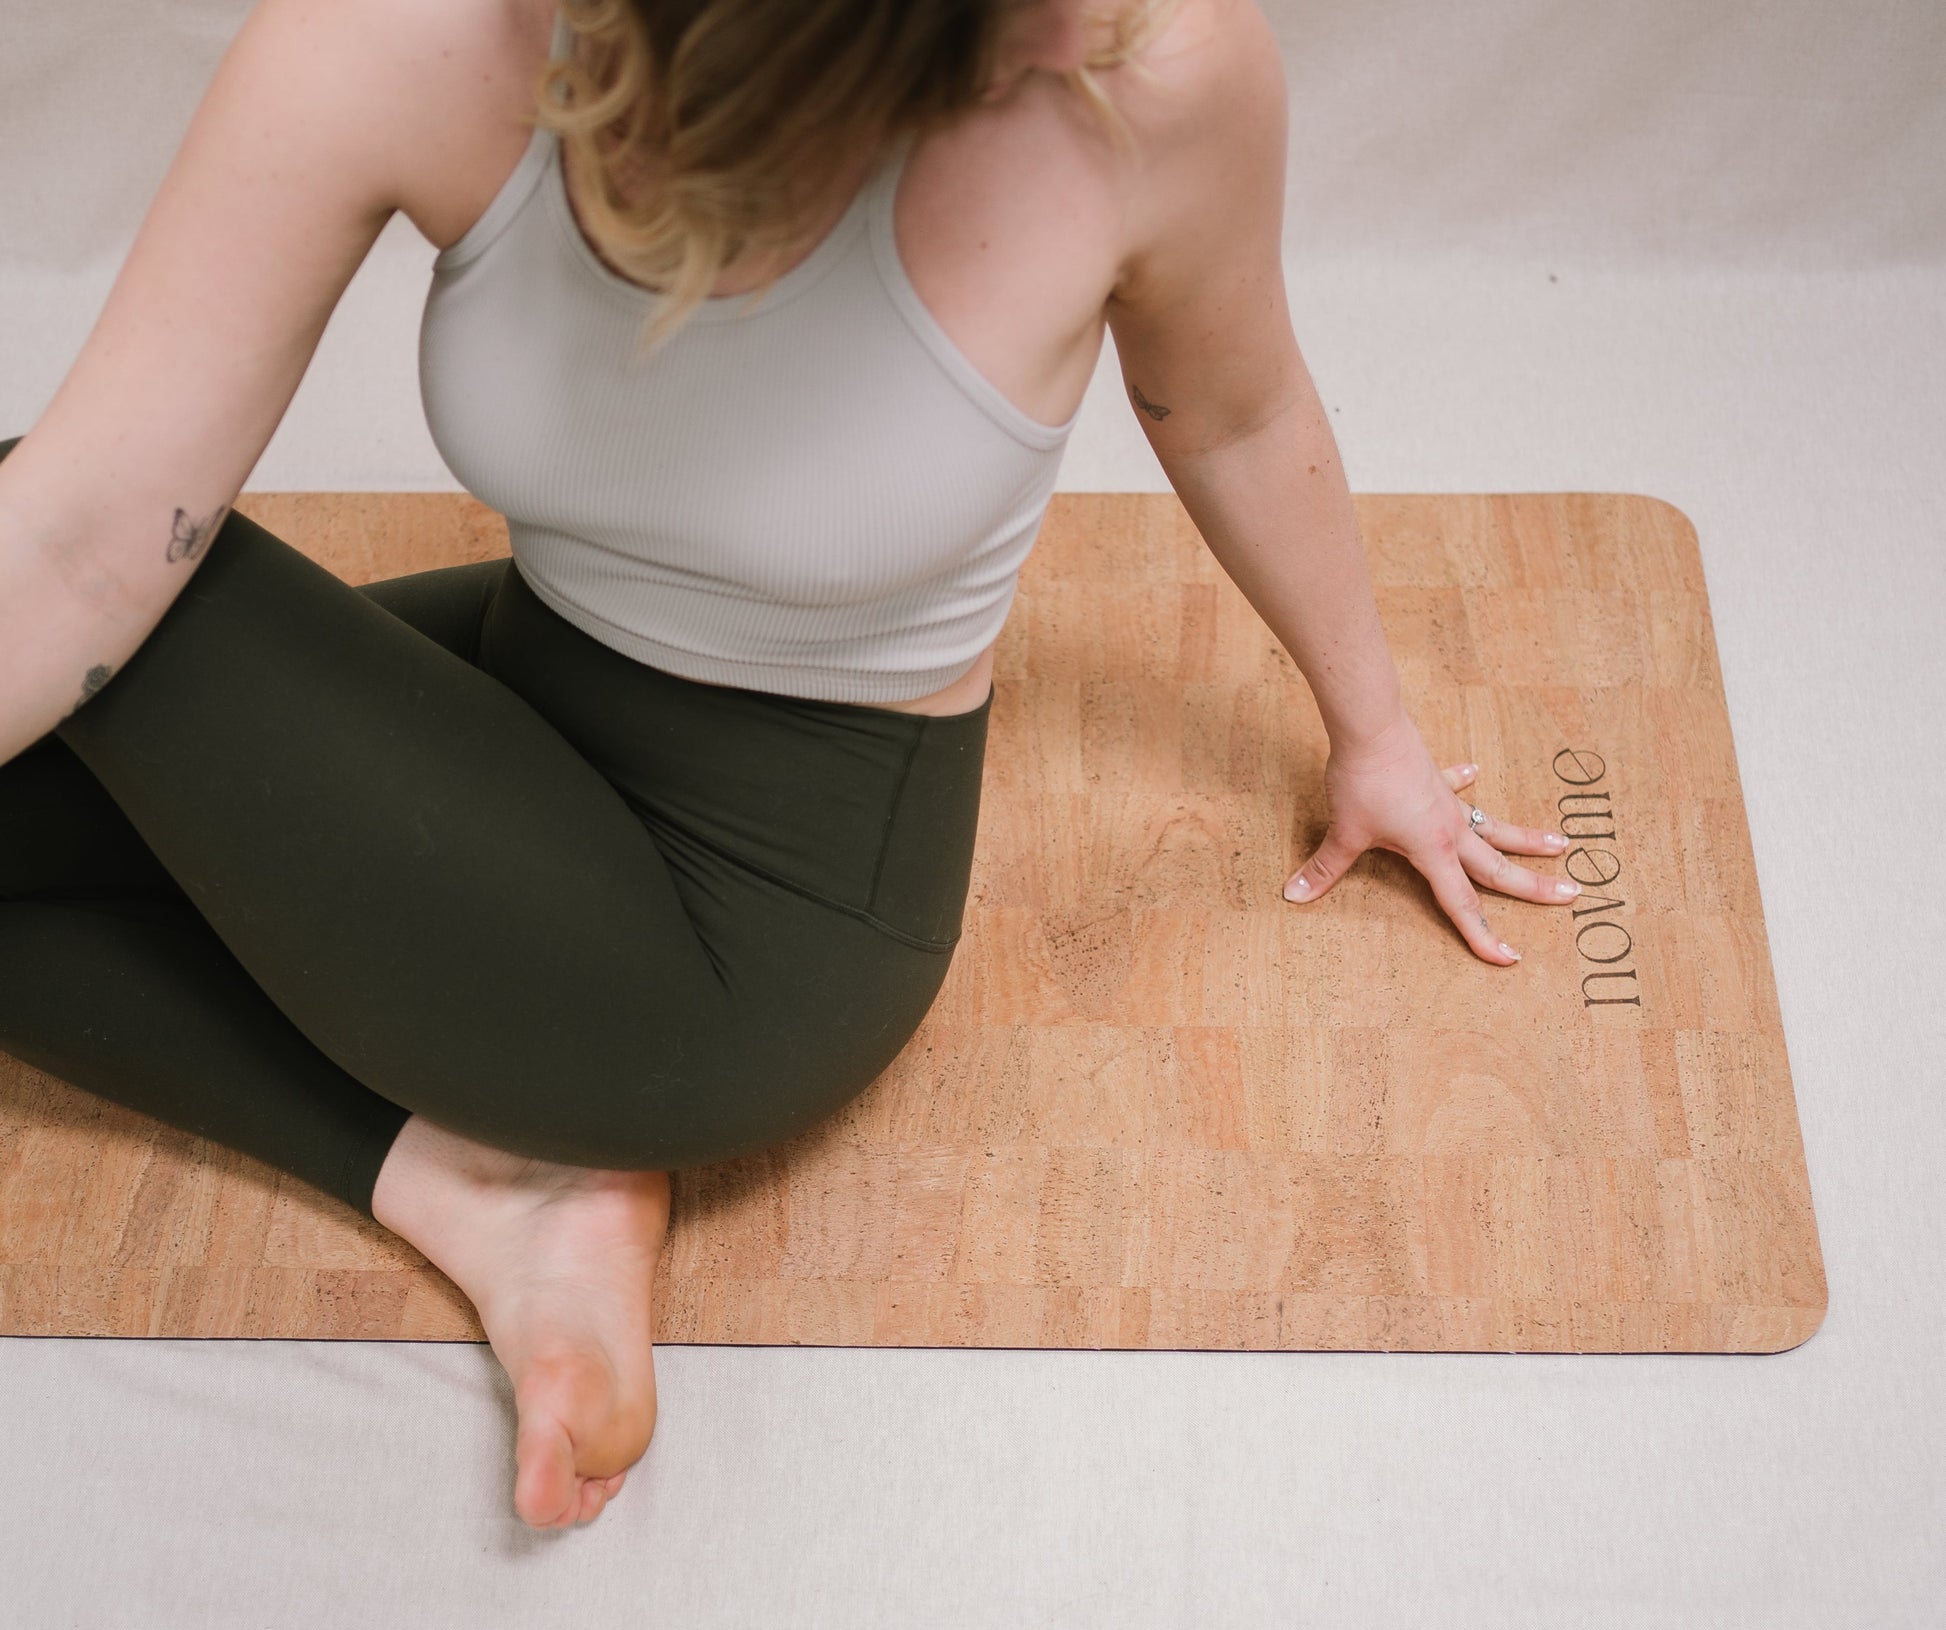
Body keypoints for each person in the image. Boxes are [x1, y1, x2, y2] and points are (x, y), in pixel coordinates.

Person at [0, 0, 1581, 1531]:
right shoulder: (411, 34)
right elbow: (78, 543)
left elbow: (1234, 414)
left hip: (749, 943)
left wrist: (1375, 734)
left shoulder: (1145, 66)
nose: (1063, 32)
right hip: (526, 696)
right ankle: (476, 1187)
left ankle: (531, 1165)